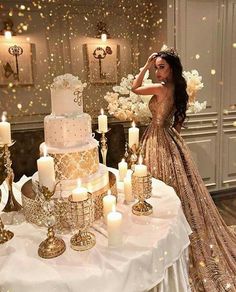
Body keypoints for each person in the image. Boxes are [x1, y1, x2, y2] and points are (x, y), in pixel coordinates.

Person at [131, 48, 236, 291]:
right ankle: (175, 230)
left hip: (157, 139)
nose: (157, 72)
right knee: (178, 188)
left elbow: (135, 89)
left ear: (171, 68)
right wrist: (170, 142)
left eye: (161, 67)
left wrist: (144, 67)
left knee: (159, 186)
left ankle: (164, 235)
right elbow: (178, 123)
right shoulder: (179, 90)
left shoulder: (160, 88)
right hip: (170, 137)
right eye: (156, 67)